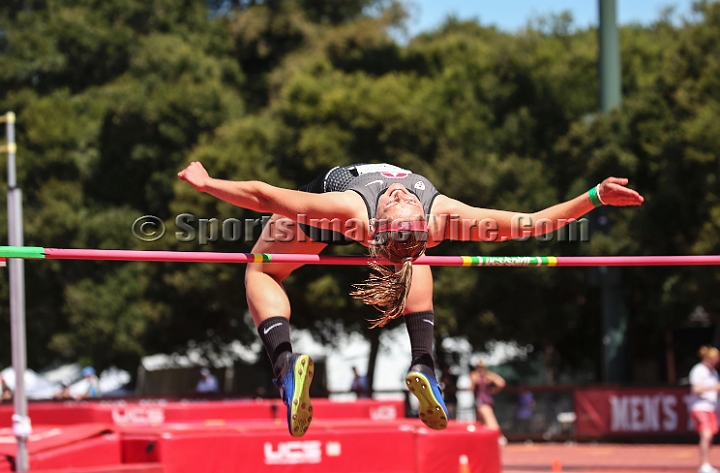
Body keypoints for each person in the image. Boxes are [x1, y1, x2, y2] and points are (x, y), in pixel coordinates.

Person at [178, 161, 643, 437]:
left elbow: (262, 195)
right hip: (369, 228)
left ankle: (284, 368)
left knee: (261, 269)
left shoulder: (378, 213)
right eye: (399, 198)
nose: (399, 191)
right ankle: (425, 365)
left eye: (401, 199)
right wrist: (592, 198)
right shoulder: (424, 216)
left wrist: (206, 183)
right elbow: (532, 223)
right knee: (415, 258)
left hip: (346, 229)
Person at [689, 345, 720, 473]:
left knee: (710, 436)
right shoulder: (698, 370)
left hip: (712, 408)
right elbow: (696, 389)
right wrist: (713, 387)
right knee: (706, 434)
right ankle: (703, 465)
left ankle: (706, 463)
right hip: (700, 407)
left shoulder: (713, 372)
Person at [470, 361, 505, 431]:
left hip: (482, 401)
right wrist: (494, 390)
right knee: (481, 422)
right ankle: (483, 439)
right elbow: (501, 383)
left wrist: (493, 390)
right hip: (485, 401)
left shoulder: (475, 375)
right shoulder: (488, 376)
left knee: (490, 420)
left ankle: (498, 437)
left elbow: (501, 383)